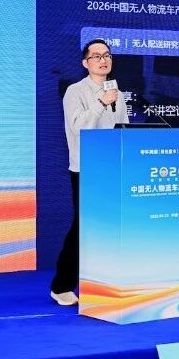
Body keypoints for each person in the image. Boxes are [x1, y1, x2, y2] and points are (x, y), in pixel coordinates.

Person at [51, 39, 129, 305]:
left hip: (114, 168)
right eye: (96, 56)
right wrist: (101, 103)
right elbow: (78, 128)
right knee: (84, 227)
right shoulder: (75, 91)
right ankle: (61, 286)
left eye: (107, 55)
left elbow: (124, 129)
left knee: (111, 226)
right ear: (85, 63)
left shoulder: (117, 93)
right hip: (87, 170)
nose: (103, 60)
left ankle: (105, 281)